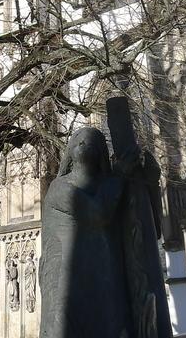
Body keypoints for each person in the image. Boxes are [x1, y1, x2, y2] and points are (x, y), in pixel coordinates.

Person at [39, 127, 132, 338]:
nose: (82, 144)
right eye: (77, 141)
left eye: (89, 142)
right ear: (69, 152)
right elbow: (98, 213)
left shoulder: (108, 186)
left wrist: (149, 182)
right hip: (64, 275)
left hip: (98, 272)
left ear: (100, 153)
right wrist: (121, 175)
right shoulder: (59, 187)